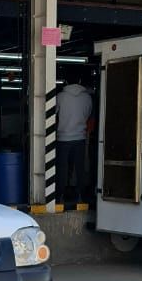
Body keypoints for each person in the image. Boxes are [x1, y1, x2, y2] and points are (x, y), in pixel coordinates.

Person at [55, 74, 92, 205]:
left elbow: (53, 114)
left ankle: (59, 198)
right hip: (80, 138)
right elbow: (88, 115)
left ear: (65, 81)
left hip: (63, 138)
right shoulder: (87, 97)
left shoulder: (60, 97)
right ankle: (81, 197)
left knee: (62, 169)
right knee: (80, 169)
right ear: (80, 80)